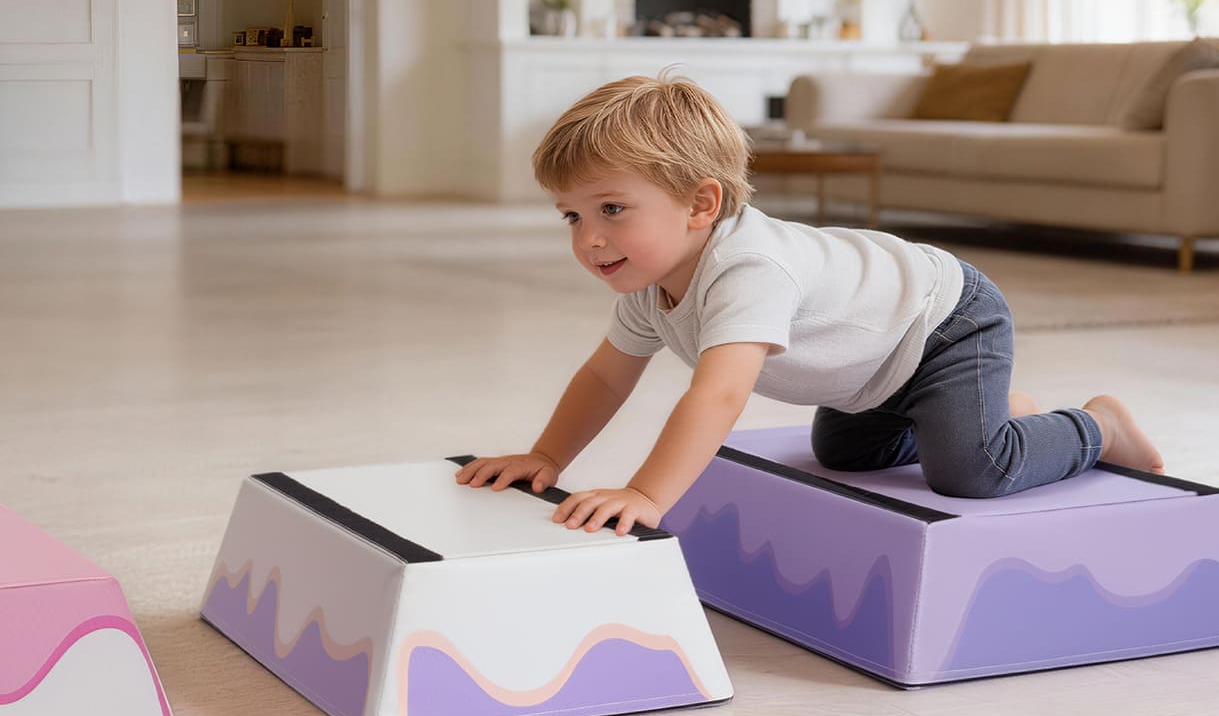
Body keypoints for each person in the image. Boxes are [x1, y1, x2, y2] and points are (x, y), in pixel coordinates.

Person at [456, 73, 1163, 535]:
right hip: (876, 367)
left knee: (970, 473)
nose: (591, 238)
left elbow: (719, 397)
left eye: (611, 208)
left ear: (701, 204)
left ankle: (1098, 425)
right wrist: (548, 455)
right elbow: (607, 376)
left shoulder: (748, 269)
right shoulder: (650, 281)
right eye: (572, 217)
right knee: (845, 452)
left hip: (945, 321)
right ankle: (991, 411)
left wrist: (646, 495)